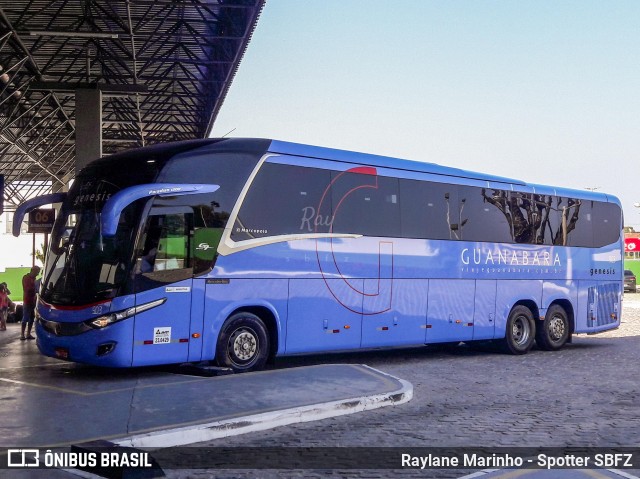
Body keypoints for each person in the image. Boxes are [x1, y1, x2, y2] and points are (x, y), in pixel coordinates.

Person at [21, 265, 41, 341]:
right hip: (27, 300)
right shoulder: (26, 278)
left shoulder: (34, 279)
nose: (38, 274)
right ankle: (22, 334)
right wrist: (35, 287)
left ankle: (28, 334)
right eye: (37, 272)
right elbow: (27, 289)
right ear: (33, 270)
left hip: (33, 300)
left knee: (31, 318)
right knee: (25, 318)